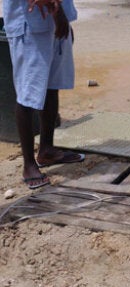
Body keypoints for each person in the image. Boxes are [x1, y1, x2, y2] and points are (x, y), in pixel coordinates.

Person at [3, 0, 84, 189]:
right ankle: (29, 165)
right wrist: (58, 14)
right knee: (28, 95)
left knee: (51, 86)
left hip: (54, 21)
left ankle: (46, 150)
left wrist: (64, 17)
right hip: (30, 24)